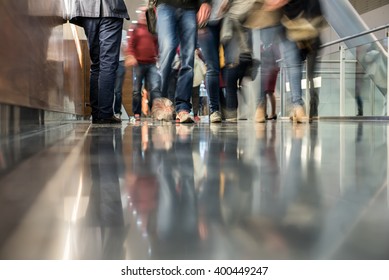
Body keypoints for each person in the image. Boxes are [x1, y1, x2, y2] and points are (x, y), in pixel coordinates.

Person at [68, 0, 129, 124]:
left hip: (86, 9)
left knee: (96, 64)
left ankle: (96, 114)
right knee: (108, 63)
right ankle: (105, 114)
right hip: (111, 8)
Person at [156, 0, 212, 123]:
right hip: (165, 5)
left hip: (190, 7)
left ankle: (183, 107)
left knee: (188, 59)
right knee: (168, 47)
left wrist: (205, 2)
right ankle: (161, 101)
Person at [125, 6, 161, 121]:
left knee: (155, 88)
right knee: (136, 90)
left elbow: (158, 44)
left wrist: (159, 56)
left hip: (152, 63)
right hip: (138, 63)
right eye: (142, 13)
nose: (144, 15)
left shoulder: (153, 28)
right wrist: (131, 55)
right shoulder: (135, 28)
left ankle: (156, 112)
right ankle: (137, 113)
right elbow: (130, 44)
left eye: (146, 13)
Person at [114, 30, 128, 119]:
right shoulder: (106, 30)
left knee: (117, 90)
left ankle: (117, 112)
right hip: (109, 61)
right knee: (106, 88)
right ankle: (106, 111)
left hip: (121, 62)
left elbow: (126, 48)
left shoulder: (123, 32)